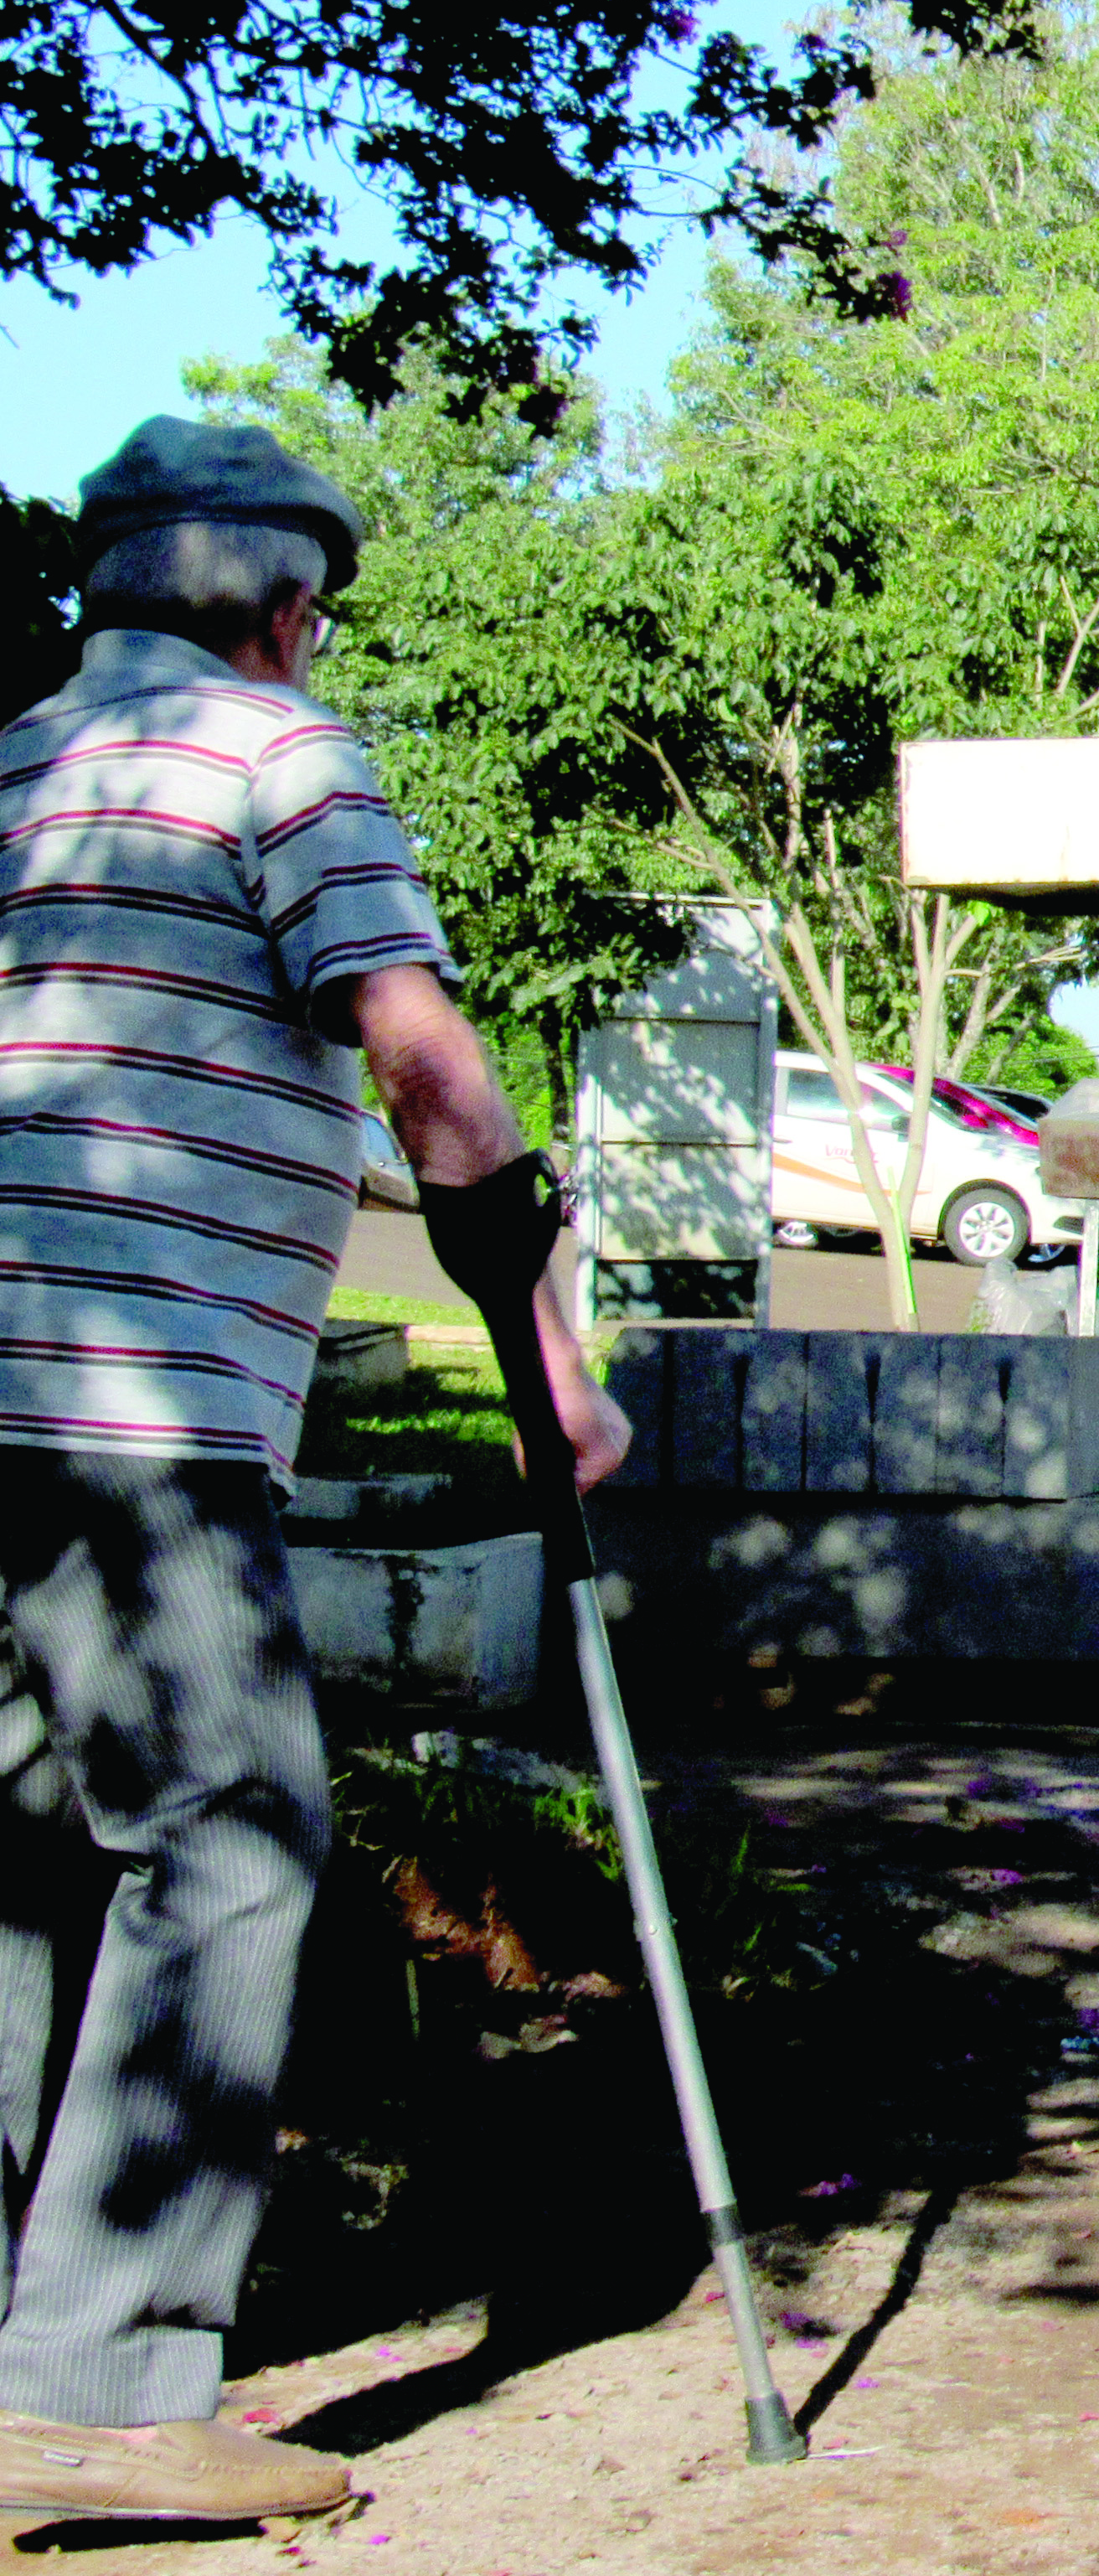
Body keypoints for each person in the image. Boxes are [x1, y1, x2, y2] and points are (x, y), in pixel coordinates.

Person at [0, 420, 629, 2542]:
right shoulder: (283, 757)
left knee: (25, 1864)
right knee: (237, 1834)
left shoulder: (13, 764)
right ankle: (90, 2391)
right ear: (283, 607)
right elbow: (432, 1075)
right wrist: (554, 1373)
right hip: (134, 1414)